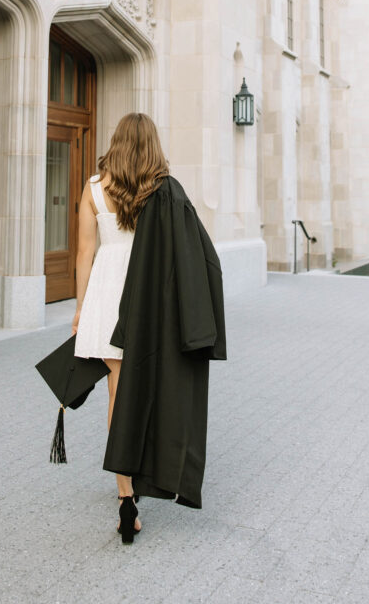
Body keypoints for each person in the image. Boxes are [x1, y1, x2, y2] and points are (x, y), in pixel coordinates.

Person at [72, 113, 226, 544]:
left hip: (106, 292)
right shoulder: (161, 190)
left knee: (118, 395)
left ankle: (125, 496)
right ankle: (150, 473)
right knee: (152, 390)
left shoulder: (92, 188)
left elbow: (84, 252)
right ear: (152, 146)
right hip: (146, 296)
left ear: (116, 143)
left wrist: (81, 308)